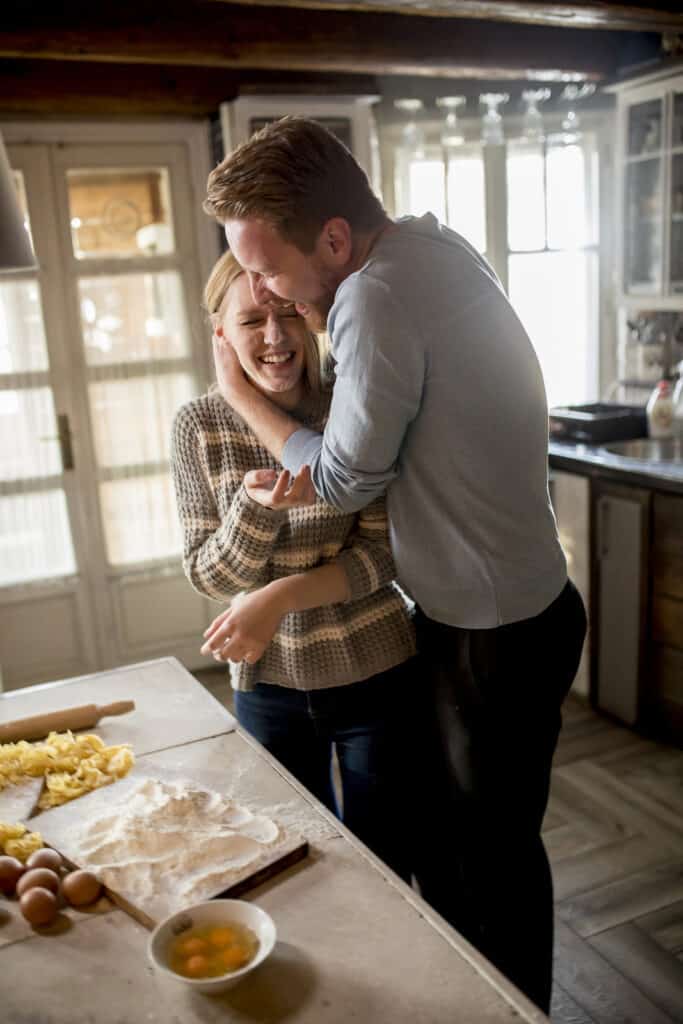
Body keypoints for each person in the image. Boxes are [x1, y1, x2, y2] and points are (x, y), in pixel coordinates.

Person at [202, 115, 587, 1013]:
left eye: (266, 266)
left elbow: (342, 480)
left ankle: (511, 1010)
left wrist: (236, 396)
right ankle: (483, 1001)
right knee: (477, 845)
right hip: (521, 608)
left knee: (487, 855)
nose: (261, 288)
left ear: (334, 237)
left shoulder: (374, 296)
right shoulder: (430, 241)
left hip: (488, 632)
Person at [170, 249, 416, 880]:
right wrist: (256, 513)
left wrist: (274, 598)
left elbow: (384, 552)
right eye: (252, 321)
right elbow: (208, 575)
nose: (275, 337)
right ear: (221, 334)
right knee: (292, 861)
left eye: (285, 314)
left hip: (379, 673)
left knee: (387, 855)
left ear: (309, 317)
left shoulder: (349, 406)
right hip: (268, 686)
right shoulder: (198, 424)